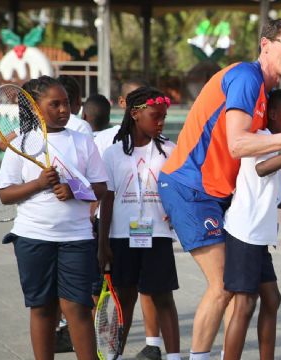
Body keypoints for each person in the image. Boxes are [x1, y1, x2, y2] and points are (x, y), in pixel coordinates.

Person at [157, 18, 281, 360]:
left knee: (255, 295)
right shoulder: (245, 77)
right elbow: (239, 144)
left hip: (219, 195)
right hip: (191, 187)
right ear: (265, 45)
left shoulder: (266, 93)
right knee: (225, 284)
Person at [0, 75, 108, 360]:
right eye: (54, 104)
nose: (63, 110)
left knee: (77, 308)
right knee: (42, 307)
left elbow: (101, 188)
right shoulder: (19, 143)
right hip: (33, 237)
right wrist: (38, 184)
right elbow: (5, 194)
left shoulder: (84, 142)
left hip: (77, 238)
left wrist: (75, 190)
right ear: (34, 107)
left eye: (66, 103)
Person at [221, 89, 281, 360]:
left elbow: (260, 187)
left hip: (258, 235)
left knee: (272, 299)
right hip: (244, 233)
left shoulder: (271, 140)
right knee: (245, 304)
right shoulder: (261, 138)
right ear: (273, 114)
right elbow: (262, 170)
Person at [97, 87, 181, 360]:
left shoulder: (170, 150)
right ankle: (114, 355)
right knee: (123, 301)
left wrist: (176, 210)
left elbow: (182, 188)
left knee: (163, 297)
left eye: (164, 117)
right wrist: (103, 243)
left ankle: (174, 357)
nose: (161, 122)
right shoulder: (112, 154)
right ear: (135, 114)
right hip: (122, 235)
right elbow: (107, 200)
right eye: (155, 116)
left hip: (157, 234)